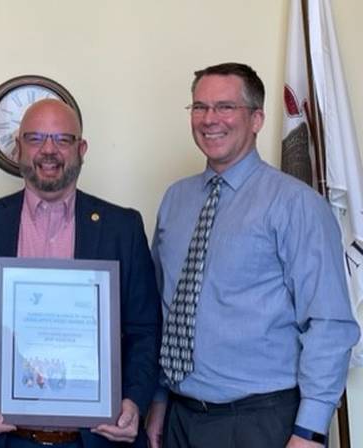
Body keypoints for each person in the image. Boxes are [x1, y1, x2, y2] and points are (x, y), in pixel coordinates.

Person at [145, 62, 361, 448]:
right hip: (181, 418)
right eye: (199, 107)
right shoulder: (175, 200)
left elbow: (328, 322)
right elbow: (164, 308)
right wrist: (159, 400)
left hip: (262, 422)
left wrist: (309, 430)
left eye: (226, 107)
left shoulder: (296, 205)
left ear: (257, 118)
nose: (210, 119)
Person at [0, 99, 161, 447]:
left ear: (81, 149)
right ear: (19, 148)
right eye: (36, 138)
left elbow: (144, 329)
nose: (49, 150)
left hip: (95, 438)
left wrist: (133, 400)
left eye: (63, 139)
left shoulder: (123, 228)